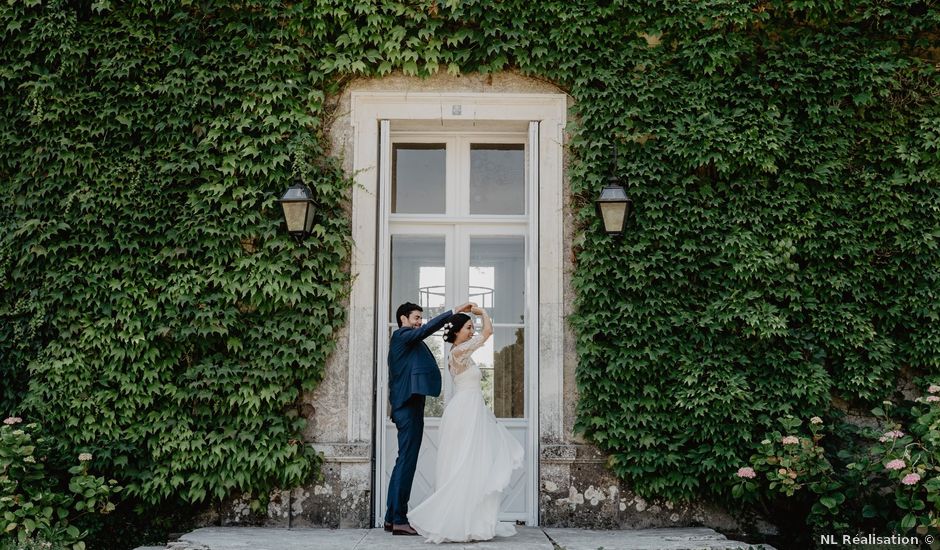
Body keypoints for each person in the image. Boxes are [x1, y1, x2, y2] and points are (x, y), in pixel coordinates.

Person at [407, 306, 525, 543]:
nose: (472, 332)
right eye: (469, 328)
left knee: (473, 462)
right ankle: (457, 522)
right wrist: (482, 313)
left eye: (472, 328)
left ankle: (471, 521)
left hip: (470, 409)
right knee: (464, 462)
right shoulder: (459, 351)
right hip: (465, 411)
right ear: (458, 331)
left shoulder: (460, 352)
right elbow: (488, 332)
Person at [385, 301, 474, 536]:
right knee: (407, 462)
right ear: (403, 319)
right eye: (415, 317)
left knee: (402, 461)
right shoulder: (402, 336)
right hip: (408, 407)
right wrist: (453, 312)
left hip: (410, 405)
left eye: (420, 318)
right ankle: (399, 519)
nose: (419, 322)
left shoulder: (408, 340)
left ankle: (390, 517)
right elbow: (427, 330)